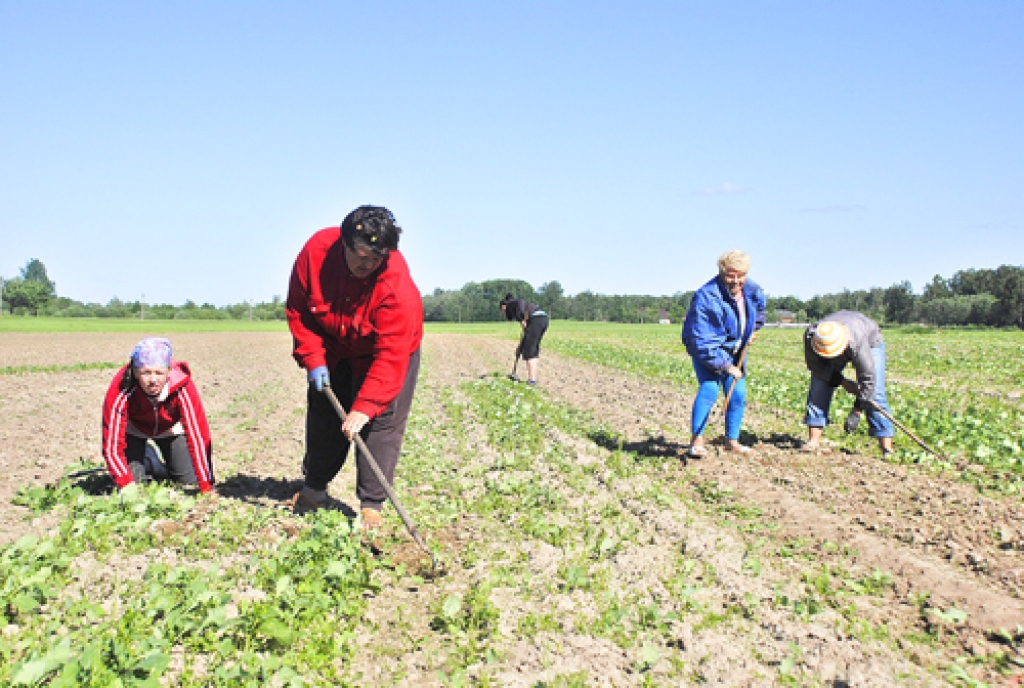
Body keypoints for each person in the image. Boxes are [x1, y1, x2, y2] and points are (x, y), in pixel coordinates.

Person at [286, 205, 423, 526]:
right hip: (333, 347)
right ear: (344, 243)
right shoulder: (315, 253)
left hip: (383, 353)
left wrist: (367, 405)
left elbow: (391, 354)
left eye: (377, 259)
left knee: (380, 424)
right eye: (362, 257)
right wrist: (313, 359)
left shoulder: (395, 285)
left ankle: (371, 507)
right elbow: (300, 311)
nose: (369, 266)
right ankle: (314, 489)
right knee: (324, 414)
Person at [101, 337, 216, 493]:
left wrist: (206, 486)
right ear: (135, 372)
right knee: (134, 483)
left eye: (159, 373)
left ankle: (157, 464)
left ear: (169, 371)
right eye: (146, 373)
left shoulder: (182, 387)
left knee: (190, 481)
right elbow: (111, 445)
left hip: (171, 429)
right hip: (134, 431)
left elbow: (199, 437)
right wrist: (126, 484)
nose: (153, 380)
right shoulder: (121, 388)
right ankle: (147, 459)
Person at [681, 249, 766, 457]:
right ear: (721, 273)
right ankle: (697, 441)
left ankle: (732, 441)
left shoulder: (752, 289)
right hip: (708, 350)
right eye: (730, 276)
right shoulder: (706, 297)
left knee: (737, 394)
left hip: (735, 349)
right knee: (710, 388)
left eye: (740, 276)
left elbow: (759, 311)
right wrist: (726, 366)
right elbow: (703, 341)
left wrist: (753, 329)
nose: (736, 281)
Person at [802, 311, 894, 455]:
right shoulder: (811, 337)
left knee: (875, 394)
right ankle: (813, 441)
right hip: (837, 342)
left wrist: (857, 410)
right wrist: (843, 382)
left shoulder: (856, 342)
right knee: (819, 386)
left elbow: (868, 379)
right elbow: (816, 367)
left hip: (869, 341)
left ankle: (887, 448)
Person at [499, 294, 549, 385]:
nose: (504, 313)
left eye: (502, 311)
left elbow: (519, 302)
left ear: (503, 306)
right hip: (543, 319)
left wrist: (521, 320)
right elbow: (525, 332)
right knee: (532, 348)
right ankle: (532, 379)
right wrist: (520, 347)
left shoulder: (510, 304)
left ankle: (532, 380)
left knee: (530, 351)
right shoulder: (518, 309)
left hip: (536, 319)